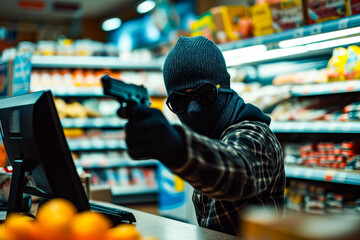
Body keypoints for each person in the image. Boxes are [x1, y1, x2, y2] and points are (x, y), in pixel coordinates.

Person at [124, 36, 285, 237]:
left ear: (224, 88)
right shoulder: (213, 136)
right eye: (179, 101)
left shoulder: (256, 135)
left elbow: (236, 172)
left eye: (204, 95)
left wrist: (176, 147)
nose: (193, 110)